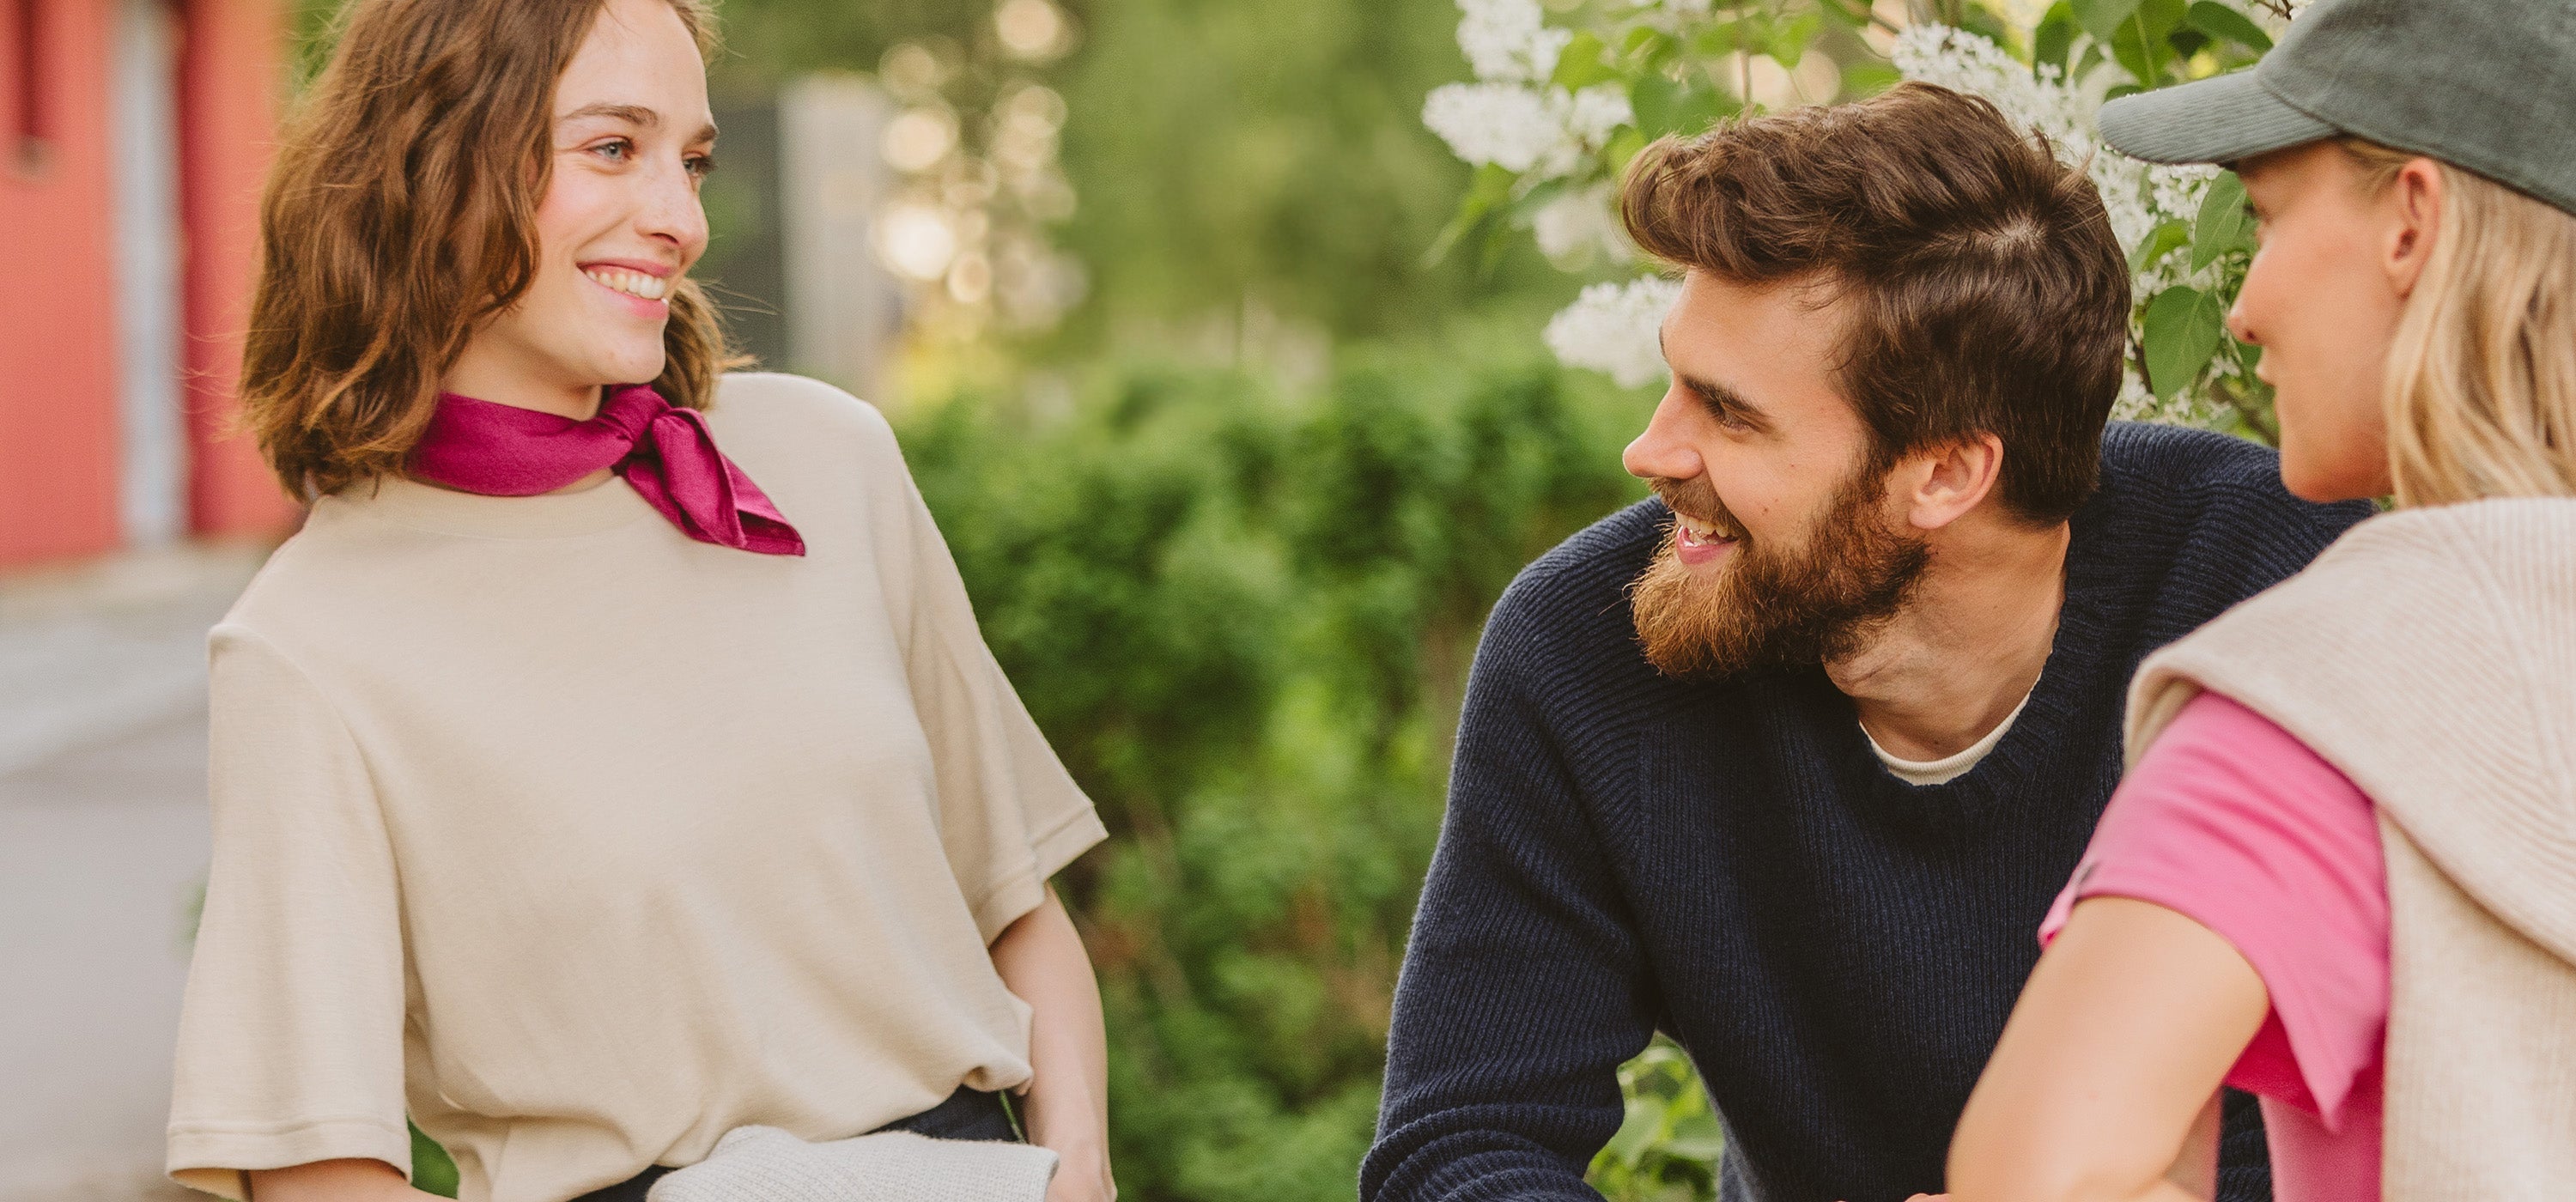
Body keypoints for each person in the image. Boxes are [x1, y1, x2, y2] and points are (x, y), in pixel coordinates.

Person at [161, 2, 1116, 1201]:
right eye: (615, 148)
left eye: (693, 159)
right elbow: (317, 1176)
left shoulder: (828, 461)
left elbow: (1013, 903)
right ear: (435, 164)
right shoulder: (307, 646)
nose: (682, 218)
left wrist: (1078, 1160)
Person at [1362, 82, 2375, 1202]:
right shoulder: (1583, 651)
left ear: (1943, 473)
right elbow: (1458, 1152)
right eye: (1673, 382)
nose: (1649, 452)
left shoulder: (2285, 595)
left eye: (1729, 412)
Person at [1947, 1, 2576, 1199]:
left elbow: (2038, 1179)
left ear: (2412, 223)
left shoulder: (2325, 706)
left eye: (2273, 219)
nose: (2243, 307)